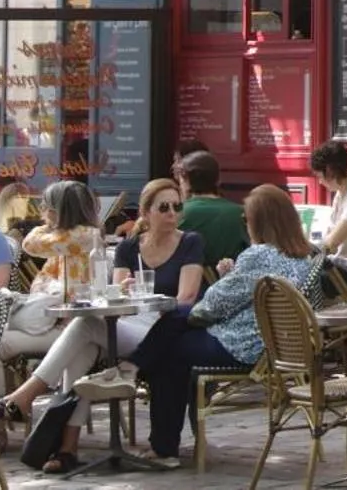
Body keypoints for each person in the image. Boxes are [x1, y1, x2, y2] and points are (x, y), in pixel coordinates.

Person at [0, 177, 206, 470]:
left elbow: (186, 298)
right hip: (125, 326)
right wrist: (124, 289)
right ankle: (66, 447)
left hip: (162, 330)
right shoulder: (129, 248)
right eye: (163, 207)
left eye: (177, 207)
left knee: (84, 327)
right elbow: (115, 300)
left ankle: (26, 400)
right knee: (83, 346)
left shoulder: (190, 242)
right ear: (145, 212)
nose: (172, 213)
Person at [130, 184, 319, 467]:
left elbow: (215, 304)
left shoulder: (258, 255)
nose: (245, 225)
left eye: (246, 219)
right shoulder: (305, 257)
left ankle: (161, 441)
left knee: (170, 346)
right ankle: (136, 371)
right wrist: (228, 279)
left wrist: (205, 301)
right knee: (175, 323)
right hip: (274, 346)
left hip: (241, 346)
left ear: (259, 222)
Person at [0, 180, 102, 364]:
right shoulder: (66, 242)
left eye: (46, 205)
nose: (41, 209)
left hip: (75, 327)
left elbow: (29, 244)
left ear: (61, 210)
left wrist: (49, 226)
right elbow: (40, 283)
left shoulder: (84, 235)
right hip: (58, 322)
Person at [176, 150, 247, 269]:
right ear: (217, 179)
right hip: (232, 277)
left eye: (181, 181)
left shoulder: (177, 213)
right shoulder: (241, 213)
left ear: (186, 181)